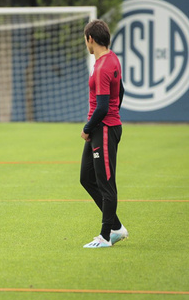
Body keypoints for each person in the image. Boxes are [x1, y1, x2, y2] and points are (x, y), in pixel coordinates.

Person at [80, 19, 128, 248]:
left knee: (106, 184)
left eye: (85, 40)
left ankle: (106, 236)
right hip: (103, 128)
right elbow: (121, 91)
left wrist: (88, 128)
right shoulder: (111, 58)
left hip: (103, 129)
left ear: (90, 39)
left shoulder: (102, 66)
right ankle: (117, 227)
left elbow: (101, 107)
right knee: (86, 178)